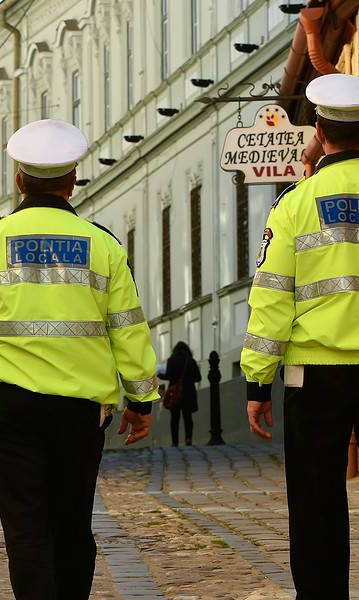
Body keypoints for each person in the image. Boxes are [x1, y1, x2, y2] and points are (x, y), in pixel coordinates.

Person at [0, 119, 159, 600]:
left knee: (25, 528)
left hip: (8, 408)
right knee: (72, 522)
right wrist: (141, 399)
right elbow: (128, 328)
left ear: (19, 179)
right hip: (81, 409)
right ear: (72, 179)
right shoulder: (102, 245)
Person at [241, 73, 359, 600]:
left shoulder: (293, 205)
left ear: (317, 128)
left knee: (315, 498)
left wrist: (257, 383)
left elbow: (271, 297)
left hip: (315, 375)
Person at [159, 341, 201, 446]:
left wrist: (160, 375)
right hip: (188, 393)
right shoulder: (191, 361)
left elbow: (168, 375)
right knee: (188, 418)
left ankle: (175, 442)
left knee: (174, 419)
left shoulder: (171, 360)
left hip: (175, 394)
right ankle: (188, 439)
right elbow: (198, 378)